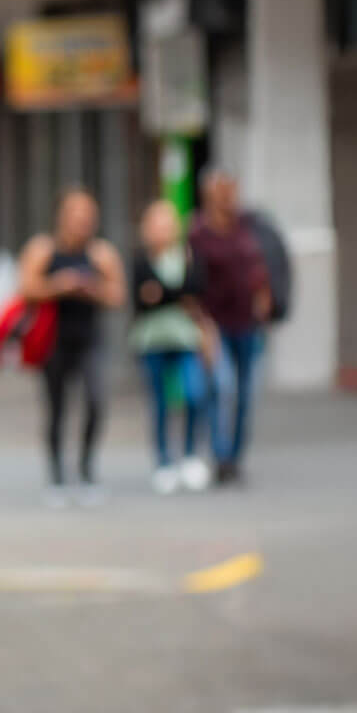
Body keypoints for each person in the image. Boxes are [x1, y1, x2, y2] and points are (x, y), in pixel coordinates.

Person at [16, 187, 126, 506]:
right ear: (61, 217)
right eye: (75, 216)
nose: (81, 223)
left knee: (95, 401)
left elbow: (117, 296)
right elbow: (25, 287)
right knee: (56, 409)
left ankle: (87, 470)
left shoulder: (101, 254)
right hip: (53, 341)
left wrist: (91, 288)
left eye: (87, 217)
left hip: (88, 339)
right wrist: (59, 285)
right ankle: (57, 476)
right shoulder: (43, 249)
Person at [189, 169, 273, 485]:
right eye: (221, 190)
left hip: (247, 323)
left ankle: (236, 457)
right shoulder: (198, 233)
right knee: (223, 387)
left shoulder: (247, 226)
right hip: (216, 323)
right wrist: (201, 325)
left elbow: (258, 267)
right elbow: (192, 283)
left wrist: (264, 297)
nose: (228, 197)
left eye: (231, 190)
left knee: (247, 394)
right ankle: (221, 455)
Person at [131, 200, 218, 495]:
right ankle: (164, 461)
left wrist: (162, 294)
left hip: (184, 338)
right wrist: (176, 296)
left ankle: (191, 455)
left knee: (194, 394)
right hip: (152, 340)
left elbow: (195, 290)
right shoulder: (142, 260)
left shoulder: (189, 257)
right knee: (159, 403)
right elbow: (142, 299)